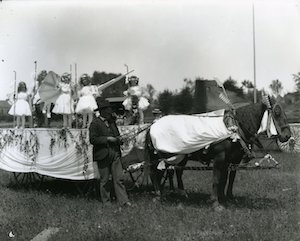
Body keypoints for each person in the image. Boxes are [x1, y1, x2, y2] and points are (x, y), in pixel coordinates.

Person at [89, 97, 131, 207]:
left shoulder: (112, 122)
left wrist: (120, 139)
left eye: (110, 109)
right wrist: (107, 139)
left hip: (115, 154)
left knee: (119, 179)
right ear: (102, 111)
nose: (110, 112)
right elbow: (92, 139)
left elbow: (117, 135)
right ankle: (106, 203)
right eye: (108, 110)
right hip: (102, 155)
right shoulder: (95, 123)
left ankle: (124, 201)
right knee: (105, 181)